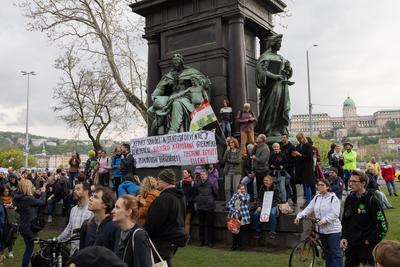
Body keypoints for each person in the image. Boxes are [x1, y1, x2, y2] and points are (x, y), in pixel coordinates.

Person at [341, 170, 388, 267]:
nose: (350, 184)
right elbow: (345, 221)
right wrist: (344, 237)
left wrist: (370, 240)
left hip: (366, 246)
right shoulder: (349, 199)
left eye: (354, 181)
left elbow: (383, 226)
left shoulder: (372, 200)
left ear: (363, 183)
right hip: (351, 244)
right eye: (350, 181)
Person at [294, 179, 343, 267]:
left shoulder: (333, 198)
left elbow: (335, 213)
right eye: (318, 185)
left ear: (327, 187)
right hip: (322, 230)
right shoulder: (317, 197)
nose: (319, 186)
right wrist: (299, 216)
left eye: (322, 185)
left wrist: (325, 220)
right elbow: (309, 208)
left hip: (333, 230)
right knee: (327, 253)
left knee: (335, 253)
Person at [145, 169, 188, 267]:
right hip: (173, 240)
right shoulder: (181, 197)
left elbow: (153, 222)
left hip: (162, 241)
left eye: (159, 179)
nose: (157, 182)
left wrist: (146, 234)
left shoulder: (164, 198)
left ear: (165, 180)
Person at [13, 179, 47, 267]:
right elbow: (42, 202)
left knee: (29, 248)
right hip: (30, 228)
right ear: (27, 187)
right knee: (29, 250)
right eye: (31, 186)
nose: (33, 187)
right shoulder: (28, 199)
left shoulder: (19, 198)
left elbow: (32, 203)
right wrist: (43, 193)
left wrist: (36, 194)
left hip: (24, 226)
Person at [112, 195, 152, 267]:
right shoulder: (118, 231)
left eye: (117, 207)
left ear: (128, 212)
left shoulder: (138, 236)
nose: (113, 211)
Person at [57, 182, 93, 255]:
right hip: (74, 252)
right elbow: (69, 229)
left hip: (88, 253)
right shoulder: (73, 209)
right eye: (74, 189)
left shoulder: (93, 209)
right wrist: (56, 240)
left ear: (86, 192)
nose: (74, 191)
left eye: (78, 189)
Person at [80, 186, 119, 251]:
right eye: (92, 196)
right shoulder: (86, 225)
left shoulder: (115, 227)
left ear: (105, 204)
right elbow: (81, 253)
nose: (90, 199)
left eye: (95, 197)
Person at [194, 170, 218, 247]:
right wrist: (198, 199)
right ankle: (202, 241)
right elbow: (195, 193)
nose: (202, 176)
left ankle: (211, 242)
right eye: (201, 174)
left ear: (207, 175)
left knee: (210, 225)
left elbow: (216, 194)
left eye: (204, 174)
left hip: (209, 207)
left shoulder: (211, 184)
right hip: (200, 206)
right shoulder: (197, 184)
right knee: (201, 225)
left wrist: (210, 200)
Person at [254, 175, 281, 240]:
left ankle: (272, 233)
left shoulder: (276, 188)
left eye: (267, 180)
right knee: (256, 214)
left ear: (271, 181)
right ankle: (258, 232)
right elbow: (260, 199)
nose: (265, 182)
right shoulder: (262, 187)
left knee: (272, 214)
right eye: (264, 180)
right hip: (263, 205)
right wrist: (259, 206)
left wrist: (269, 205)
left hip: (273, 205)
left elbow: (278, 199)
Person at [292, 133, 315, 206]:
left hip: (307, 169)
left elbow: (309, 158)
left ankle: (309, 201)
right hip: (301, 169)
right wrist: (295, 155)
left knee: (307, 185)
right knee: (304, 185)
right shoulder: (298, 146)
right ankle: (307, 200)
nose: (299, 140)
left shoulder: (308, 146)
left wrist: (299, 155)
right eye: (298, 139)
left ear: (303, 138)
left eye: (300, 139)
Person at [227, 183, 250, 250]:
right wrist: (234, 210)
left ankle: (240, 246)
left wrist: (240, 194)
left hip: (243, 216)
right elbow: (229, 204)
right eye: (241, 189)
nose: (242, 190)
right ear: (238, 189)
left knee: (241, 231)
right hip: (235, 215)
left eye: (243, 189)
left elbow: (245, 200)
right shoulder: (234, 195)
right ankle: (234, 245)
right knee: (234, 230)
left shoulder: (247, 195)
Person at [223, 137, 242, 202]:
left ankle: (236, 204)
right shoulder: (227, 151)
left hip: (236, 172)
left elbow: (238, 161)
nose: (231, 144)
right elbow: (224, 160)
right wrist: (227, 151)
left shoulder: (239, 151)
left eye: (232, 142)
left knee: (235, 189)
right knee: (227, 189)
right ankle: (228, 204)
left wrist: (230, 160)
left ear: (235, 143)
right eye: (229, 143)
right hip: (228, 171)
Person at [177, 169, 196, 234]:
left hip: (189, 205)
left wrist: (188, 201)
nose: (183, 174)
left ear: (189, 174)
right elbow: (177, 192)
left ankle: (186, 238)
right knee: (180, 222)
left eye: (185, 172)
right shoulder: (180, 183)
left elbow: (194, 194)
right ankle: (181, 237)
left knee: (187, 222)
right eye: (183, 173)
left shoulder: (193, 183)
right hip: (181, 205)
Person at [280, 134, 297, 206]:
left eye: (284, 137)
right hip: (283, 168)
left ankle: (294, 200)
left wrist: (288, 165)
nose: (283, 139)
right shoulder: (281, 146)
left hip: (289, 168)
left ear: (287, 138)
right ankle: (286, 199)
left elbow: (293, 158)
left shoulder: (292, 146)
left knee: (292, 184)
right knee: (284, 185)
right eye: (282, 138)